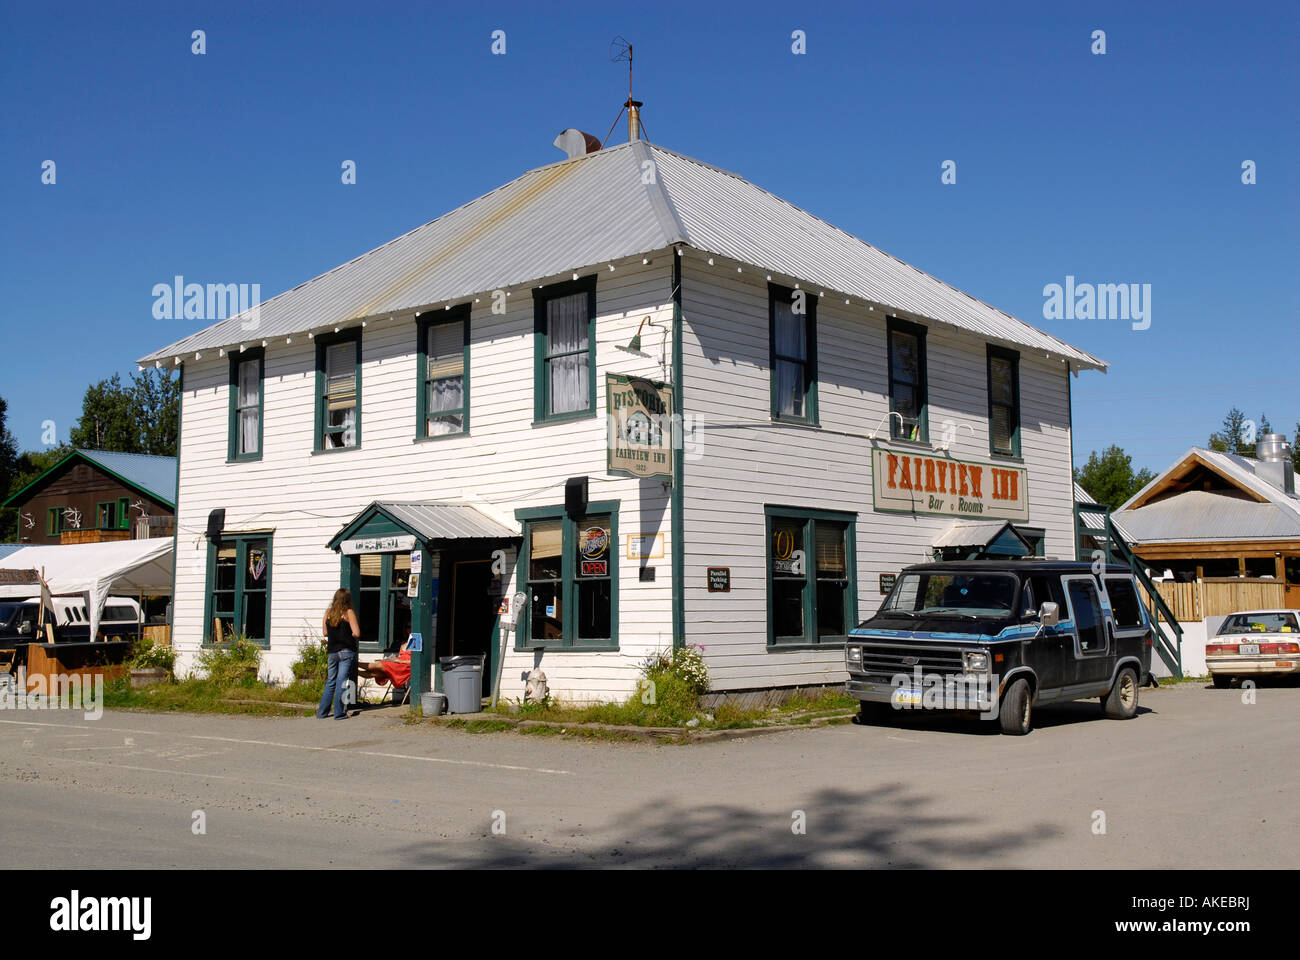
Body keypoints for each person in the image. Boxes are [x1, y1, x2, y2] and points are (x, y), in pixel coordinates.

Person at [318, 588, 360, 720]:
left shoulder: (328, 613)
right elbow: (356, 633)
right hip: (346, 651)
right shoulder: (348, 613)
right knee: (342, 682)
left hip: (332, 652)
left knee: (331, 681)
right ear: (348, 600)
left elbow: (325, 633)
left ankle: (322, 712)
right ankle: (339, 713)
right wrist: (349, 633)